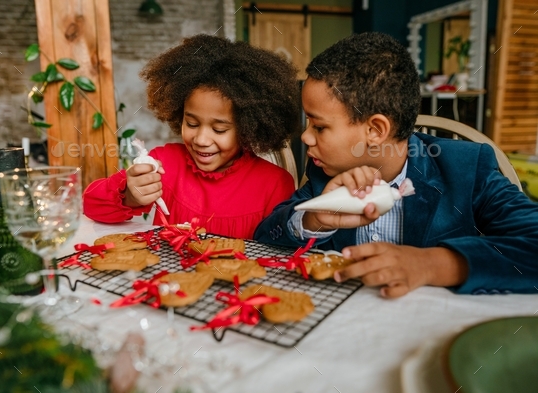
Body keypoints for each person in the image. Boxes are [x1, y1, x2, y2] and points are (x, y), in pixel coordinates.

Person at [254, 32, 538, 297]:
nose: (305, 137)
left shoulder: (465, 169)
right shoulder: (324, 173)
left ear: (376, 131)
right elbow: (265, 239)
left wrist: (433, 264)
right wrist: (313, 219)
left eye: (319, 126)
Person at [83, 34, 300, 239]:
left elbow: (281, 250)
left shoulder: (274, 184)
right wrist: (129, 196)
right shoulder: (163, 165)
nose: (201, 140)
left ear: (248, 127)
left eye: (219, 129)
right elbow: (90, 206)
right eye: (192, 123)